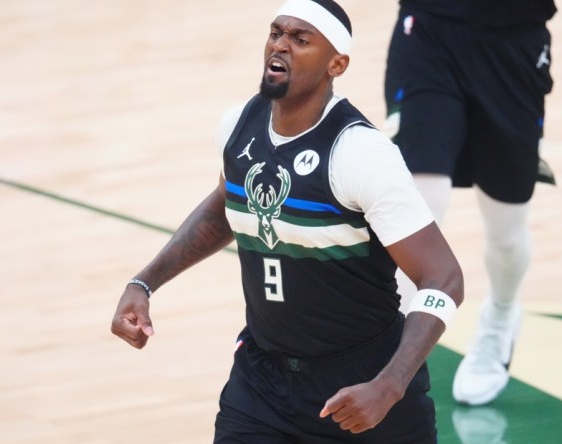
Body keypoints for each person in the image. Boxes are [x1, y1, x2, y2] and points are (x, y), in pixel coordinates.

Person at [111, 0, 464, 442]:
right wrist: (144, 283)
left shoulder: (359, 154)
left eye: (300, 39)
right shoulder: (239, 124)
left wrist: (390, 385)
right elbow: (227, 204)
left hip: (362, 386)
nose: (281, 45)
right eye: (276, 33)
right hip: (263, 382)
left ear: (337, 64)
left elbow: (444, 278)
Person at [383, 0, 557, 407]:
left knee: (506, 232)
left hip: (514, 43)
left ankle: (501, 315)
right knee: (421, 206)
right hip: (428, 32)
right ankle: (392, 360)